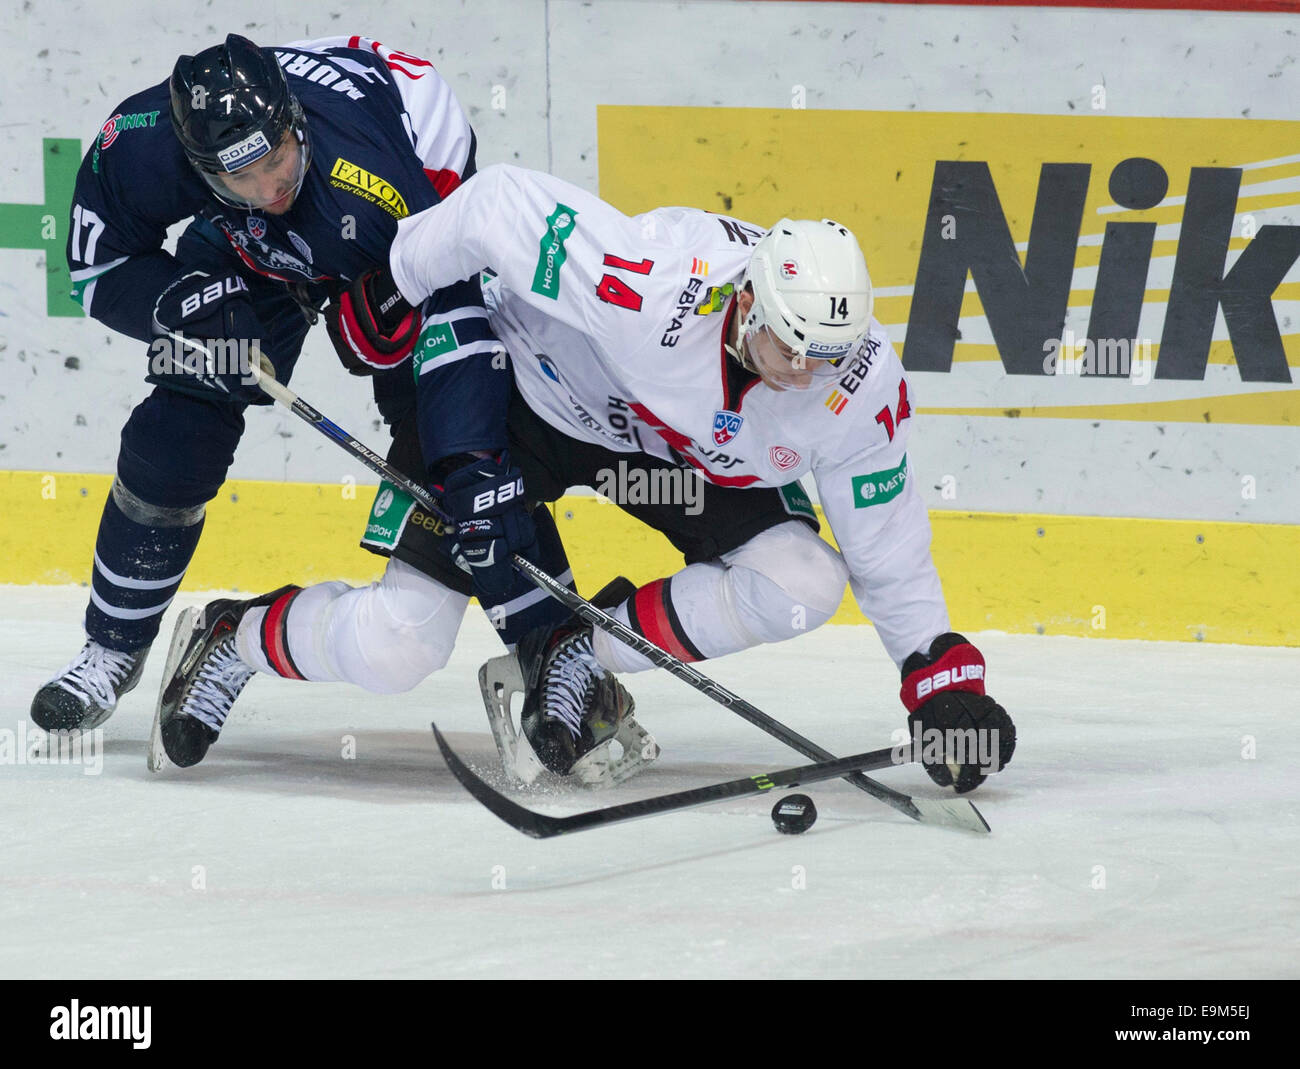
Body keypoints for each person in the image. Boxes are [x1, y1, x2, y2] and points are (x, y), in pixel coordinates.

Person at [161, 165, 1016, 794]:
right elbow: (496, 205)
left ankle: (577, 648)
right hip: (520, 400)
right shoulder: (651, 285)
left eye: (824, 359)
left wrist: (940, 677)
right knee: (401, 644)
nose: (805, 374)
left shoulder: (855, 389)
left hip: (658, 451)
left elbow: (889, 546)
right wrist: (391, 287)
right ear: (747, 304)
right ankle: (233, 636)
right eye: (791, 347)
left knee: (804, 580)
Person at [34, 35, 565, 746]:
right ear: (197, 167)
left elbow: (461, 338)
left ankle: (551, 647)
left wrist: (470, 465)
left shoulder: (376, 181)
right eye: (240, 178)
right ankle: (112, 646)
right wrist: (176, 299)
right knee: (177, 426)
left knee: (463, 450)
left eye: (277, 159)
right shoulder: (143, 143)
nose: (268, 187)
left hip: (397, 235)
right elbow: (96, 271)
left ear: (295, 124)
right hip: (248, 248)